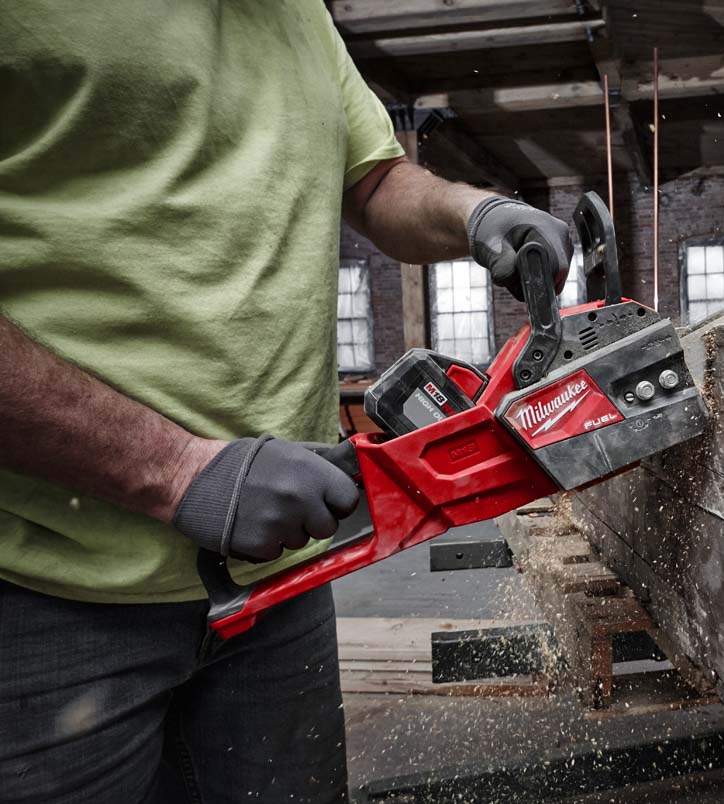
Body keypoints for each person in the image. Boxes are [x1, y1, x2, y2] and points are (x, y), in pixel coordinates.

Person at [0, 3, 572, 803]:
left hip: (280, 577)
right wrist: (175, 470)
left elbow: (375, 180)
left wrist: (470, 212)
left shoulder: (299, 11)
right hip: (49, 590)